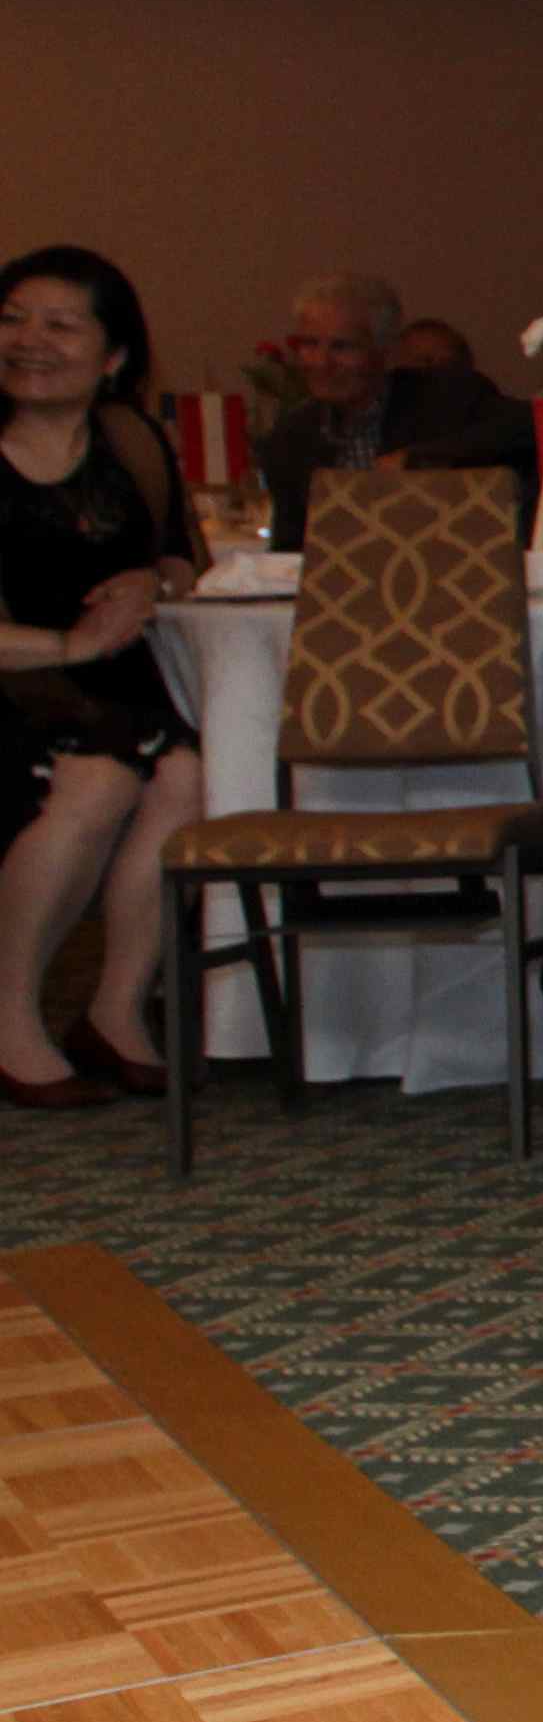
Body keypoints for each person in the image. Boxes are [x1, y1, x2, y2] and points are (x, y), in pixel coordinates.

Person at [0, 248, 204, 1109]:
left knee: (190, 773)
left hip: (110, 682)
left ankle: (116, 1010)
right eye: (12, 319)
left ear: (113, 355)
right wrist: (68, 646)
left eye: (60, 324)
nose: (29, 341)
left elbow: (186, 560)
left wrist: (150, 583)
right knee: (94, 776)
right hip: (17, 678)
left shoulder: (129, 439)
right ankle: (9, 1023)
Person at [262, 273, 538, 556]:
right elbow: (289, 552)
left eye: (342, 347)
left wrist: (417, 461)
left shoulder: (447, 397)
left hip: (445, 575)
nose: (322, 362)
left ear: (386, 350)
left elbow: (532, 426)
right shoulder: (289, 439)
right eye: (309, 345)